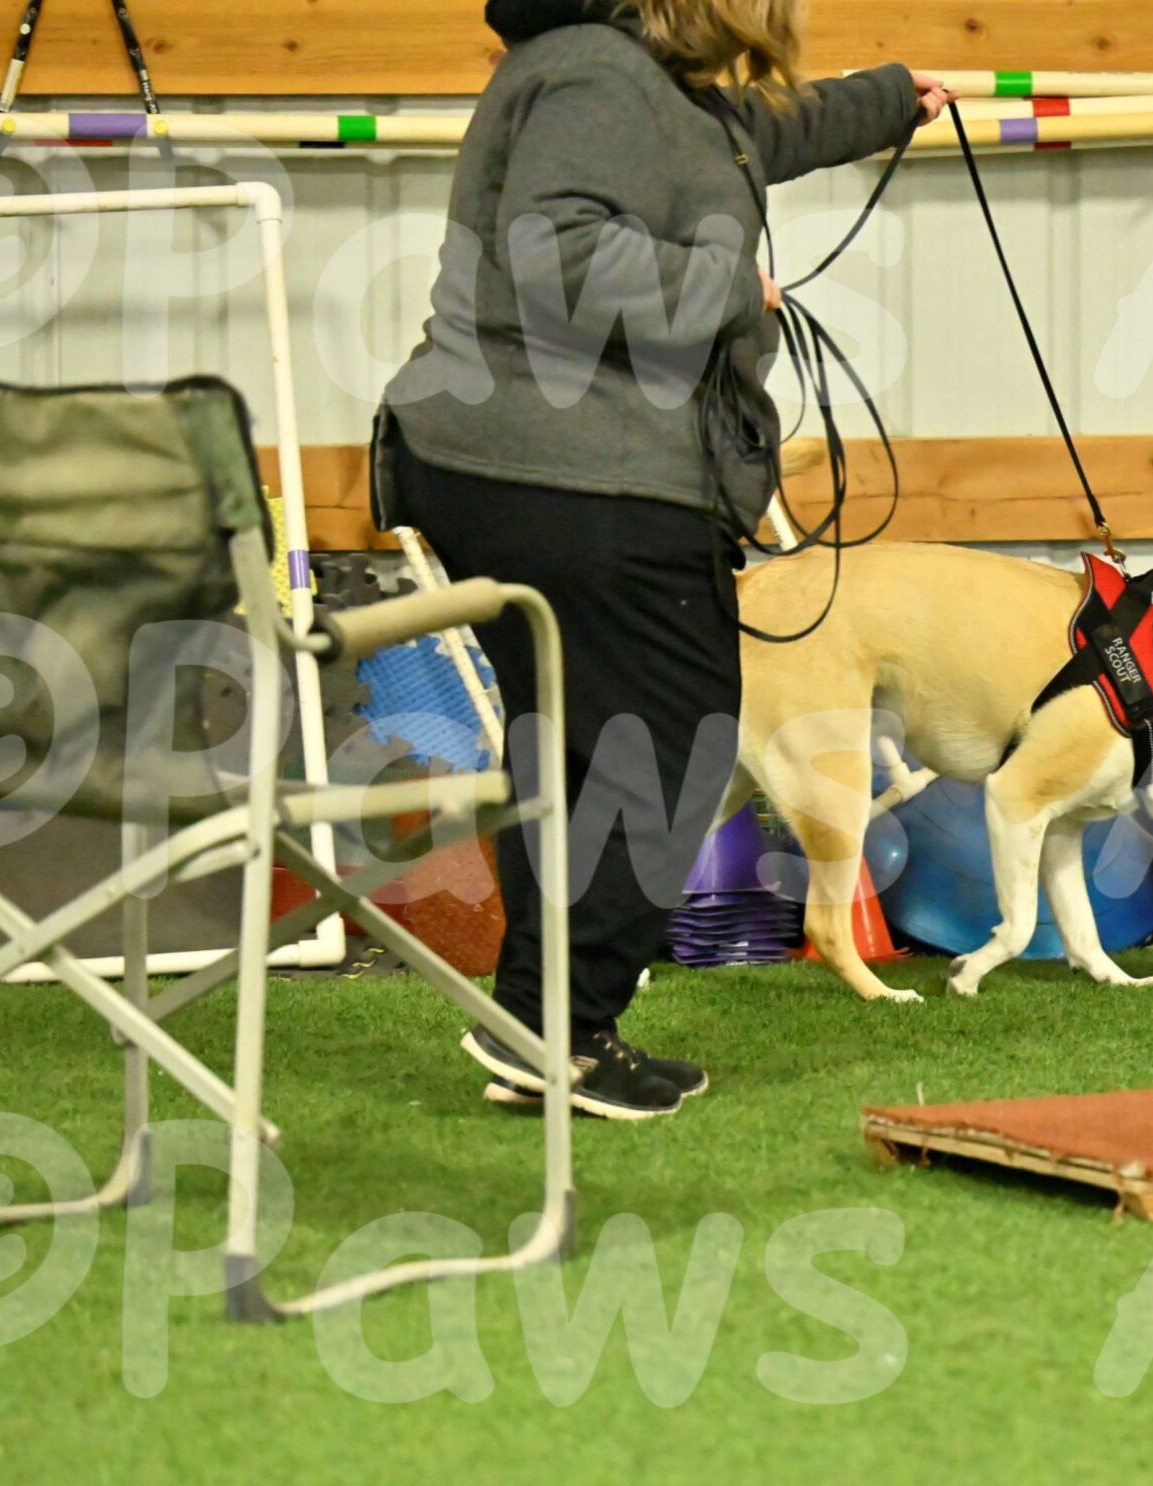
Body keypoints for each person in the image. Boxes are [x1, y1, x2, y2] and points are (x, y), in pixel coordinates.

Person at [381, 0, 954, 1119]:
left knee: (582, 749)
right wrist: (731, 290)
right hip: (568, 472)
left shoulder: (639, 81)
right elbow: (558, 253)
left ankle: (552, 1029)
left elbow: (747, 135)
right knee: (673, 738)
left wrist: (892, 99)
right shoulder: (596, 76)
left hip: (519, 465)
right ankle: (562, 1024)